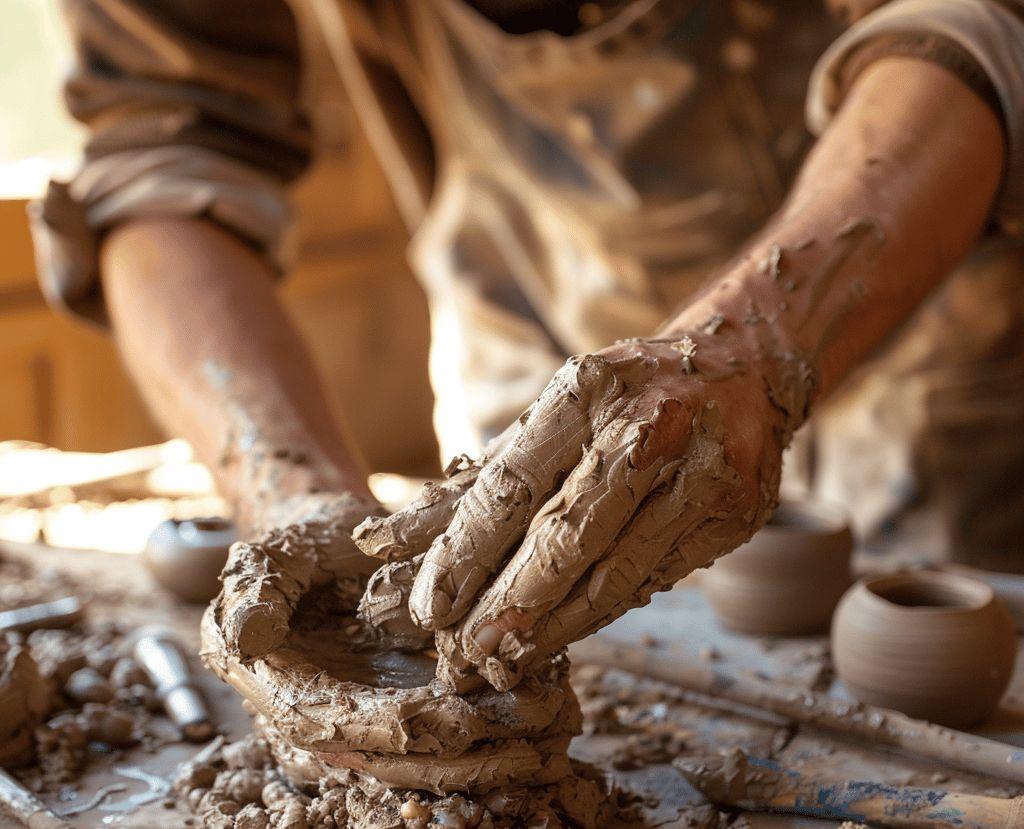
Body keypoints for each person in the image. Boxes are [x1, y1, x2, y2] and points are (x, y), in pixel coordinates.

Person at [31, 0, 1024, 684]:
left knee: (931, 658)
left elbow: (972, 22)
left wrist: (750, 345)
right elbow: (162, 144)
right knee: (495, 611)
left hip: (918, 276)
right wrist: (291, 498)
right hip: (533, 297)